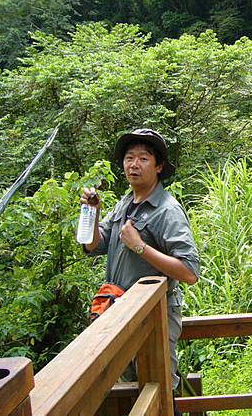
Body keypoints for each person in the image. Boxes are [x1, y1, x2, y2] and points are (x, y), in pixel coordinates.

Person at [81, 128, 199, 394]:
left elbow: (190, 272)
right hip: (118, 312)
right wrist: (92, 213)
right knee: (128, 389)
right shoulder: (125, 203)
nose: (134, 164)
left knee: (158, 389)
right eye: (129, 157)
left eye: (143, 158)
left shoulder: (168, 210)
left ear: (158, 167)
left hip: (154, 317)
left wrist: (140, 247)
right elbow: (95, 244)